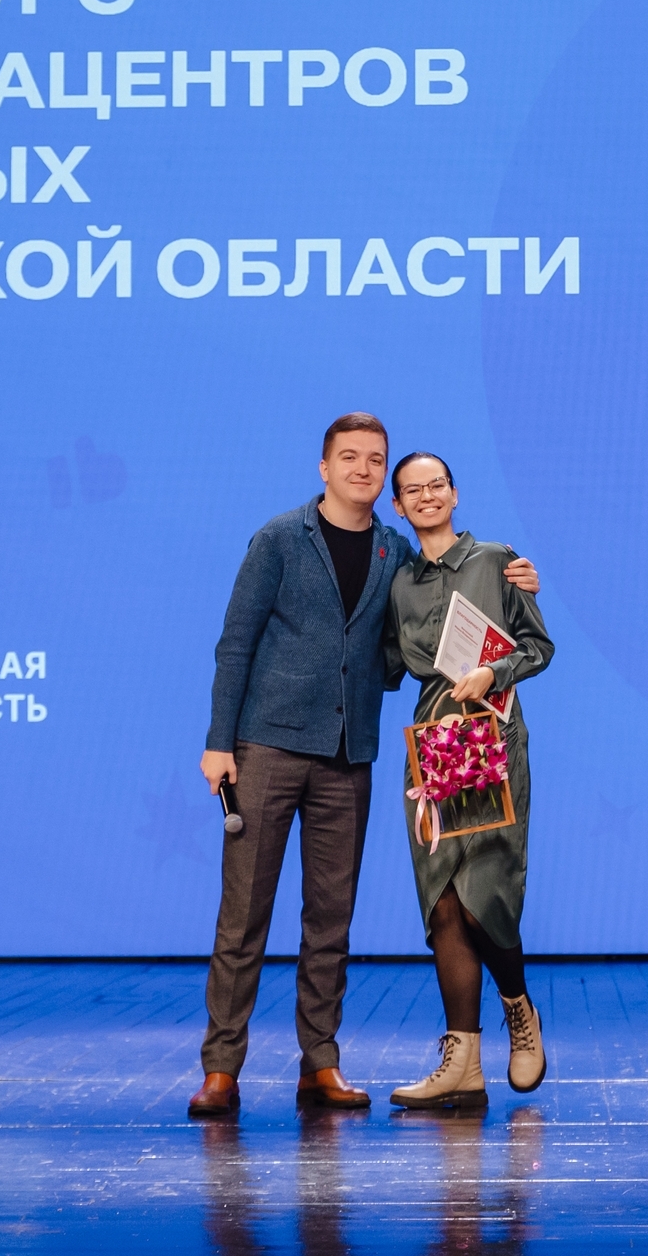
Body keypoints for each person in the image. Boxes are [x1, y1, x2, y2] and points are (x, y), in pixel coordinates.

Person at [190, 414, 539, 1118]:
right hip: (266, 748)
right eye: (349, 457)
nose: (363, 469)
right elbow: (236, 643)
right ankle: (221, 1068)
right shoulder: (279, 539)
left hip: (353, 756)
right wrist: (219, 741)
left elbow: (432, 630)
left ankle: (320, 1063)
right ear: (324, 467)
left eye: (375, 460)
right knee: (243, 917)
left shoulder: (395, 554)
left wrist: (518, 580)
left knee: (332, 919)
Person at [381, 452, 556, 1110]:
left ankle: (518, 1007)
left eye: (437, 485)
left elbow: (538, 647)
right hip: (431, 743)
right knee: (443, 902)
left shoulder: (496, 560)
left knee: (486, 893)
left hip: (489, 733)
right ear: (398, 505)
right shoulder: (397, 582)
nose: (427, 496)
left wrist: (494, 672)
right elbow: (385, 663)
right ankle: (462, 1062)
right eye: (413, 490)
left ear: (454, 493)